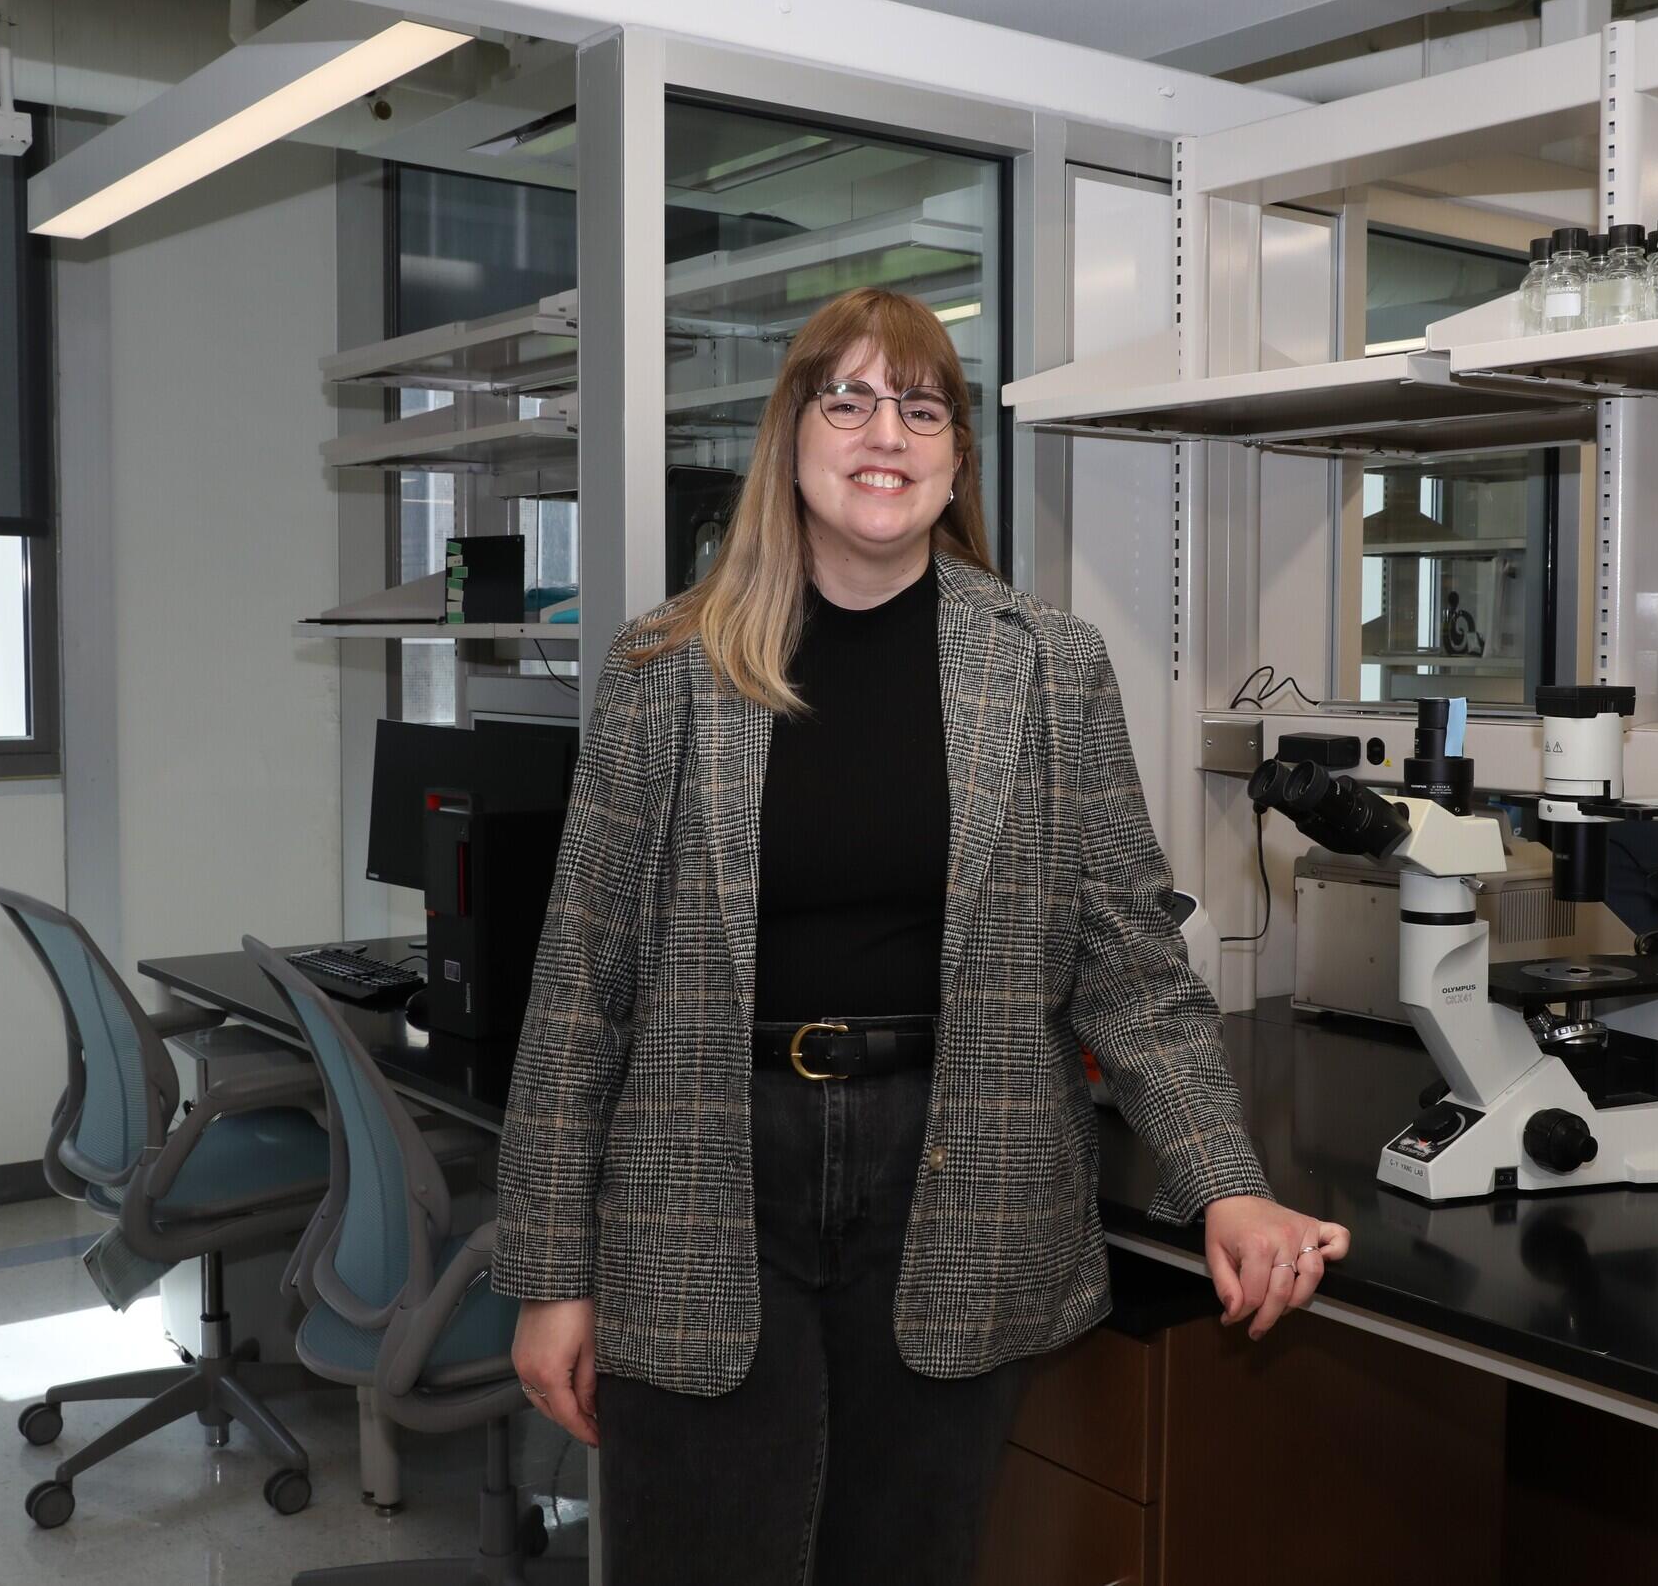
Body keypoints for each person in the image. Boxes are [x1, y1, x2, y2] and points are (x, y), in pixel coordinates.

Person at [495, 287, 1349, 1584]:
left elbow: (1126, 954)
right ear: (790, 440)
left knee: (906, 1558)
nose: (882, 430)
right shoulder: (664, 672)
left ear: (953, 460)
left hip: (961, 1176)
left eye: (919, 404)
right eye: (845, 399)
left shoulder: (1049, 667)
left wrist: (1222, 1180)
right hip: (706, 1177)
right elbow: (582, 987)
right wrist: (550, 1271)